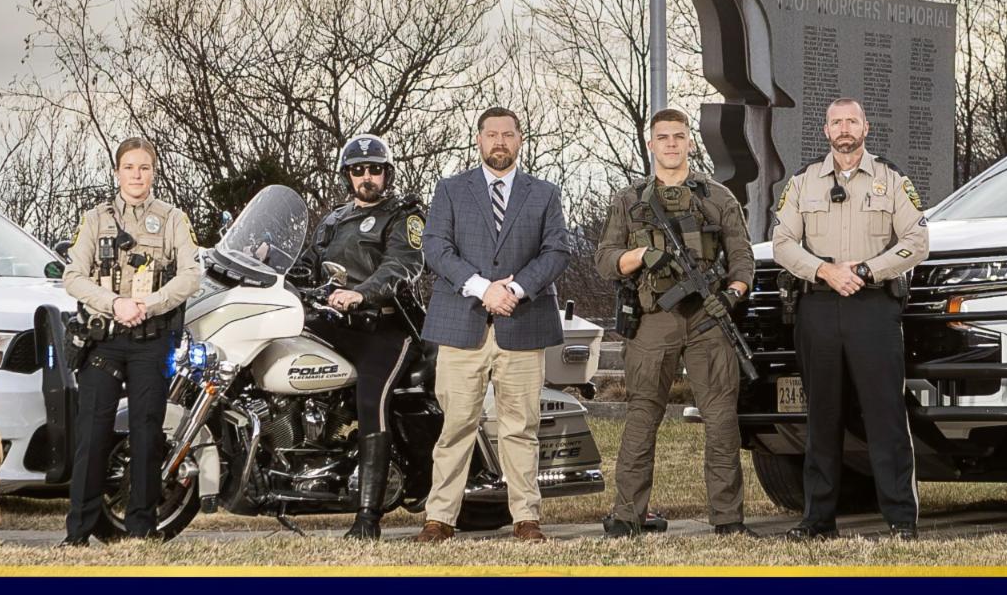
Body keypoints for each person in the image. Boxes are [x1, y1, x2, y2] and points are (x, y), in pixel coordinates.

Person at [772, 97, 928, 541]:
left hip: (873, 307)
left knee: (886, 416)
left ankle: (900, 520)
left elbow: (917, 240)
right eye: (836, 122)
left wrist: (865, 270)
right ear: (825, 131)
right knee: (821, 416)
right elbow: (783, 242)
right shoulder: (802, 183)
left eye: (852, 121)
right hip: (817, 307)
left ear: (866, 128)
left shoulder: (891, 179)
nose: (844, 129)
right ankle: (818, 521)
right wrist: (824, 270)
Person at [413, 107, 570, 545]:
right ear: (478, 141)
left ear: (520, 140)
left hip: (523, 323)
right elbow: (435, 247)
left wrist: (516, 289)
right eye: (491, 135)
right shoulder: (449, 190)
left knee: (520, 427)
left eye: (508, 135)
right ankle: (439, 518)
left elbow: (556, 251)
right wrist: (483, 288)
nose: (499, 142)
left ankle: (526, 518)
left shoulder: (545, 194)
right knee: (456, 425)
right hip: (461, 326)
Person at [596, 108, 754, 538]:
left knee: (721, 417)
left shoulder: (717, 196)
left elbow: (742, 257)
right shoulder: (629, 200)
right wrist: (641, 256)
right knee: (643, 415)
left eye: (678, 136)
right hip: (653, 320)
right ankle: (627, 517)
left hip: (707, 318)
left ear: (689, 142)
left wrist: (732, 294)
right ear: (651, 144)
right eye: (662, 137)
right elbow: (605, 259)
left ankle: (728, 521)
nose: (670, 143)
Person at [61, 137, 203, 545]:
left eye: (144, 168)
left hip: (150, 339)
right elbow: (73, 277)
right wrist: (116, 303)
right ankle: (78, 532)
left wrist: (152, 303)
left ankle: (142, 530)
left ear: (154, 172)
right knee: (93, 433)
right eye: (129, 167)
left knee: (147, 433)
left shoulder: (173, 218)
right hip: (103, 339)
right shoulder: (94, 219)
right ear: (117, 172)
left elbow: (190, 275)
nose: (136, 175)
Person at [302, 134, 426, 540]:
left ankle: (368, 519)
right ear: (347, 177)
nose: (367, 177)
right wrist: (268, 265)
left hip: (387, 326)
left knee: (371, 400)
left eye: (375, 169)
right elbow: (307, 265)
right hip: (335, 324)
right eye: (358, 170)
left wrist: (362, 292)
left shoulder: (404, 216)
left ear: (386, 173)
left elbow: (402, 265)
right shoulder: (332, 221)